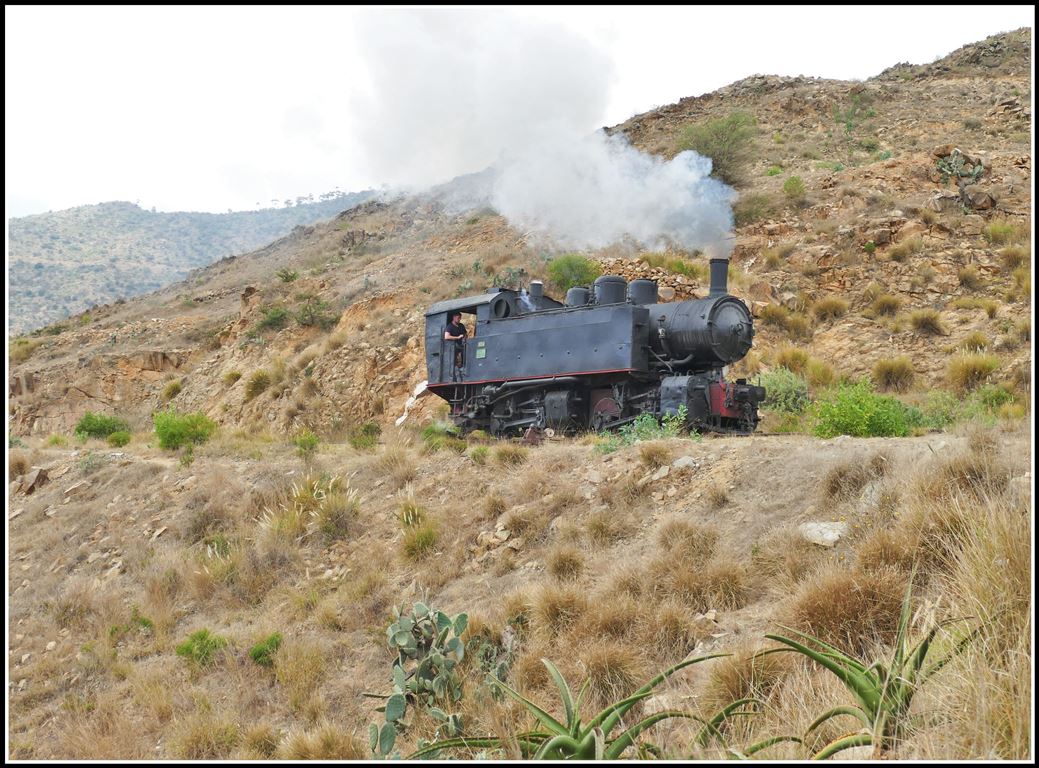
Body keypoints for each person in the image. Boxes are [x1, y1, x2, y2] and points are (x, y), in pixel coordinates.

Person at [444, 311, 468, 379]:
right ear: (454, 317)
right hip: (453, 345)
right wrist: (457, 337)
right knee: (454, 355)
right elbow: (446, 336)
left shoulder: (461, 325)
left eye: (460, 318)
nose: (459, 319)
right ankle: (455, 371)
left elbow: (465, 334)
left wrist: (465, 337)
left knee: (467, 350)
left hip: (462, 344)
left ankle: (464, 367)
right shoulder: (450, 326)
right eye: (458, 318)